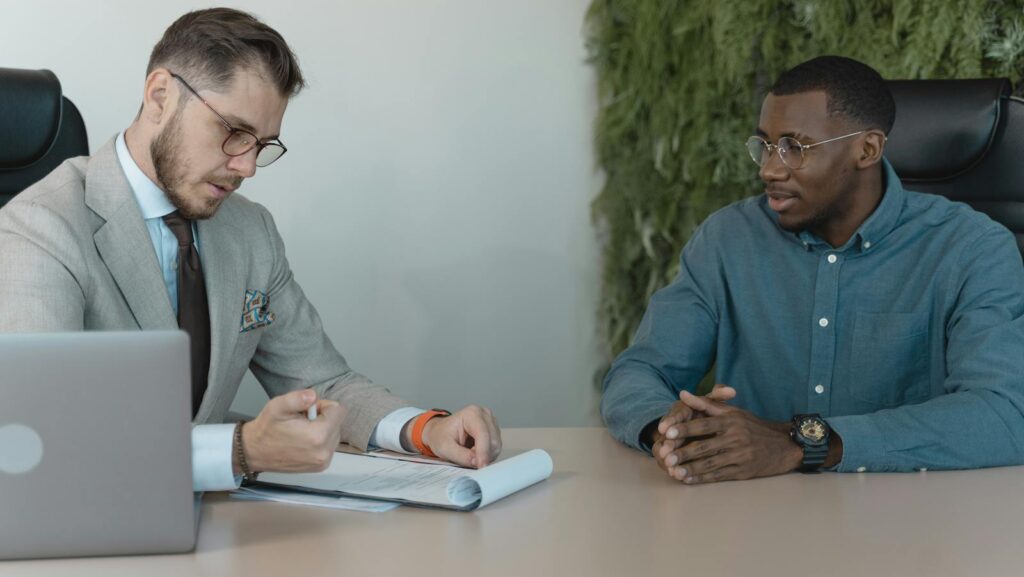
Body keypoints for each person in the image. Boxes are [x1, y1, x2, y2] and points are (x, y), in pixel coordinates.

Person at [0, 8, 501, 491]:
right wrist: (242, 450)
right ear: (159, 96)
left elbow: (323, 382)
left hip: (220, 528)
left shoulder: (250, 230)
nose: (247, 168)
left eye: (261, 144)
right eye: (233, 133)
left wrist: (424, 430)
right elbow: (43, 437)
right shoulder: (40, 227)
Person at [601, 55, 1024, 483]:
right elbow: (640, 372)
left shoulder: (971, 249)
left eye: (794, 148)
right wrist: (673, 430)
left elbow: (1004, 414)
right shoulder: (728, 239)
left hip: (906, 519)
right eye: (764, 145)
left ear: (867, 149)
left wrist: (798, 442)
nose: (769, 168)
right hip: (749, 512)